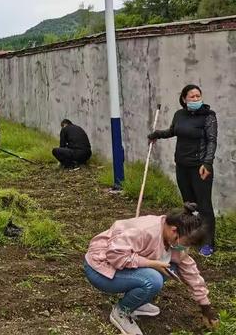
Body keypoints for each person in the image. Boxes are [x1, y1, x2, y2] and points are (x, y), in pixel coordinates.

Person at [84, 203, 218, 335]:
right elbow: (114, 255)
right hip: (100, 269)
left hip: (122, 265)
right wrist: (151, 263)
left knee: (172, 266)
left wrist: (205, 307)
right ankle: (121, 312)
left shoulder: (173, 239)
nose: (185, 247)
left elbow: (190, 270)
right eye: (187, 243)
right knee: (153, 280)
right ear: (174, 230)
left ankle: (137, 302)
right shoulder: (146, 231)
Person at [148, 84, 217, 257]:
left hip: (200, 167)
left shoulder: (208, 116)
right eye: (192, 96)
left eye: (198, 96)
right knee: (188, 204)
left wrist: (207, 163)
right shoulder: (180, 114)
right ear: (184, 99)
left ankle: (208, 242)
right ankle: (190, 238)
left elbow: (211, 140)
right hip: (182, 165)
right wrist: (157, 134)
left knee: (204, 205)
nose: (196, 99)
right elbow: (173, 131)